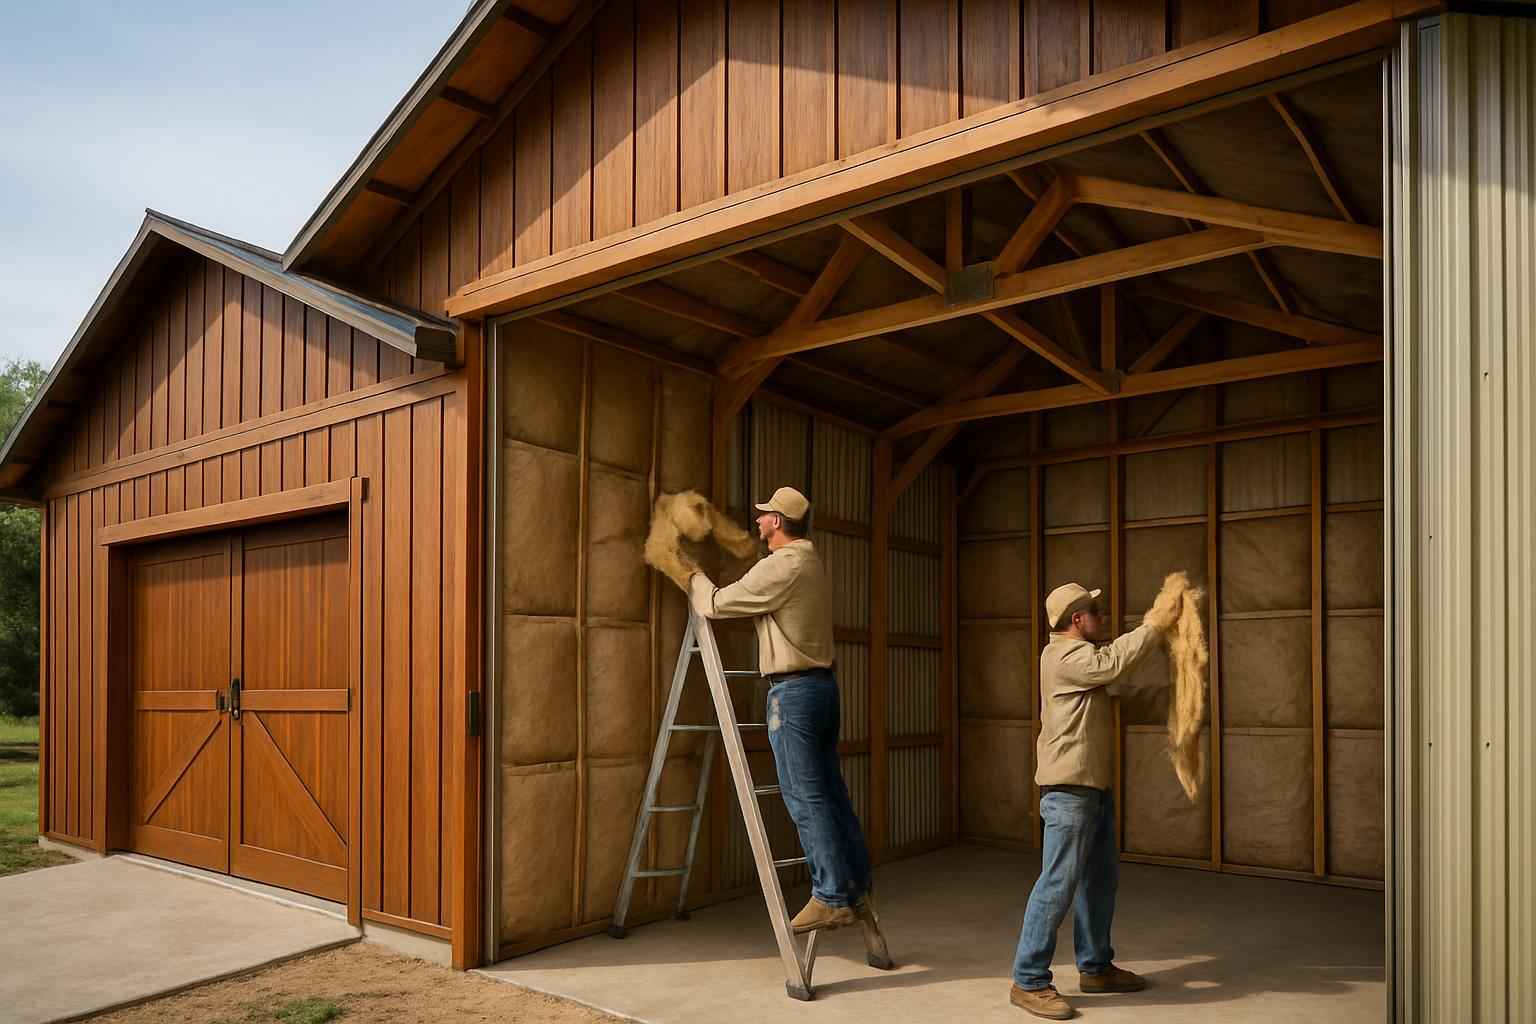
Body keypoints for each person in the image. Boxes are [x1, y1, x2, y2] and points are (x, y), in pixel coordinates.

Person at [687, 485, 873, 933]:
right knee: (830, 793)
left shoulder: (785, 565)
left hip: (794, 693)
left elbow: (716, 604)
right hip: (820, 689)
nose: (757, 521)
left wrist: (690, 575)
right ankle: (856, 887)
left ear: (778, 522)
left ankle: (830, 897)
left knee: (805, 795)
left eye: (764, 515)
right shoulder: (809, 562)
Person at [1009, 582, 1164, 1020]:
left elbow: (1122, 687)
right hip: (1069, 793)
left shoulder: (1084, 665)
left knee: (1099, 879)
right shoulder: (1063, 656)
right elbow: (1113, 662)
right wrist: (1156, 623)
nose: (1103, 616)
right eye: (1096, 611)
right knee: (1057, 884)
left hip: (1093, 789)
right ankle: (1028, 979)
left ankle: (1096, 967)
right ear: (1077, 620)